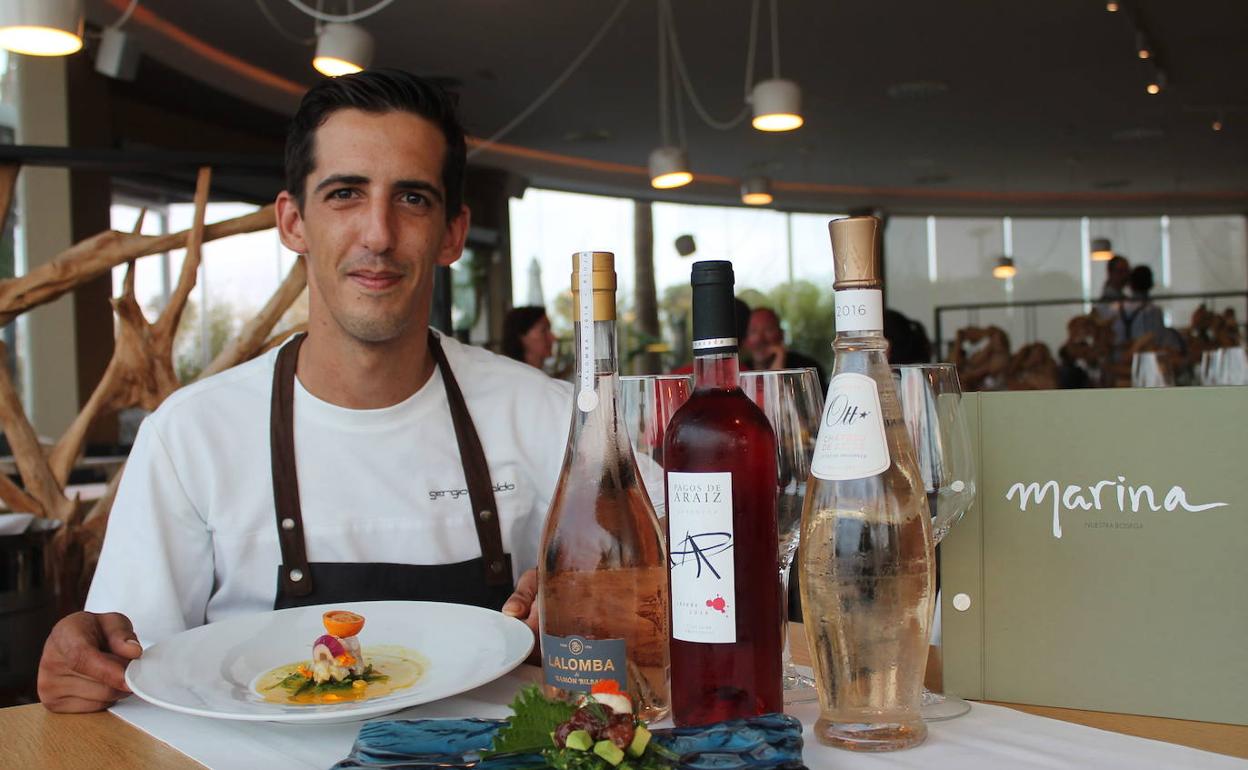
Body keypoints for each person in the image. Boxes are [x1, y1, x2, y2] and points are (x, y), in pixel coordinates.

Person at [37, 70, 570, 713]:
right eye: (346, 193)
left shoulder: (547, 417)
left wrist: (597, 595)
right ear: (292, 222)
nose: (377, 233)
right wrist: (85, 664)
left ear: (452, 234)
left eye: (413, 199)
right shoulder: (190, 438)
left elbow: (691, 571)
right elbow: (132, 673)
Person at [743, 306, 827, 390]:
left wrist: (780, 357)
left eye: (768, 329)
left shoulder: (805, 369)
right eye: (753, 331)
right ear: (745, 340)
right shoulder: (741, 373)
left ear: (782, 334)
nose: (760, 339)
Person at [501, 306, 556, 370]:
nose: (553, 338)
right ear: (521, 337)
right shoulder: (512, 376)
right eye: (543, 331)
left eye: (549, 329)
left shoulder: (546, 373)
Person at [1096, 255, 1131, 320]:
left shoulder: (1123, 298)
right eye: (1120, 271)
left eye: (1126, 271)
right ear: (1110, 272)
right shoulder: (1106, 302)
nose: (1125, 275)